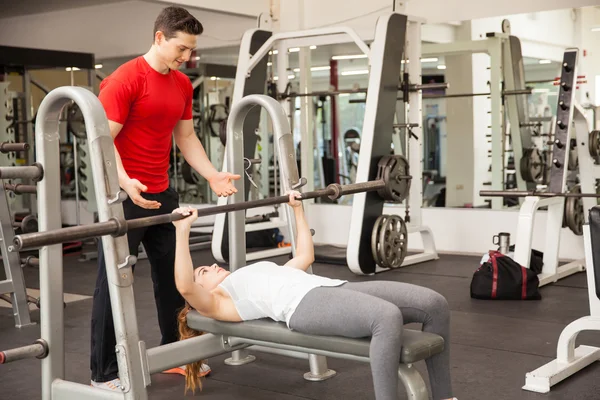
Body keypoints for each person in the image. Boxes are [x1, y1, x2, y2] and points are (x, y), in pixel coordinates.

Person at [171, 192, 457, 400]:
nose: (210, 266)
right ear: (203, 292)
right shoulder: (220, 301)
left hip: (330, 287)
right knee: (386, 317)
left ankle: (444, 397)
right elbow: (185, 286)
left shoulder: (250, 273)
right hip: (304, 307)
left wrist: (297, 209)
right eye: (203, 272)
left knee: (435, 304)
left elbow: (305, 256)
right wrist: (182, 232)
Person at [90, 6, 240, 390]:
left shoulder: (181, 85)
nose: (187, 58)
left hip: (162, 192)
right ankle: (104, 372)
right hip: (123, 195)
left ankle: (176, 353)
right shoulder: (125, 79)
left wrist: (213, 174)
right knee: (114, 281)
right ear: (159, 37)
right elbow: (103, 144)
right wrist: (125, 182)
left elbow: (186, 137)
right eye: (182, 49)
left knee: (175, 276)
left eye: (192, 50)